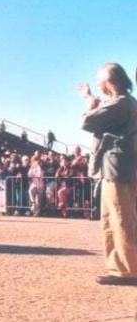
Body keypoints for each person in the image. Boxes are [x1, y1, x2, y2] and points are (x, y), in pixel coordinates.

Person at [78, 62, 137, 286]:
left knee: (120, 219)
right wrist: (90, 99)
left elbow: (87, 121)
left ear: (110, 81)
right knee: (113, 219)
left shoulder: (121, 103)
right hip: (120, 167)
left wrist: (90, 105)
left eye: (99, 79)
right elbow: (103, 111)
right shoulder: (125, 103)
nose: (97, 82)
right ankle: (120, 267)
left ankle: (128, 270)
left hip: (117, 168)